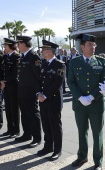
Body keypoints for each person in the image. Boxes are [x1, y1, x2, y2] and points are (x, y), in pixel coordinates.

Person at [68, 34, 105, 170]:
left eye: (94, 44)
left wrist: (91, 97)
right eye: (90, 44)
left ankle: (98, 161)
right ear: (82, 47)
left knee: (97, 133)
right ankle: (82, 156)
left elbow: (103, 82)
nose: (93, 47)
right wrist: (80, 97)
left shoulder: (102, 62)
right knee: (82, 131)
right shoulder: (74, 62)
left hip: (97, 104)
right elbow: (70, 82)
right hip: (80, 105)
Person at [37, 40, 65, 161]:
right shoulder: (43, 63)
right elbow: (38, 80)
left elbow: (57, 83)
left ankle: (57, 150)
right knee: (46, 124)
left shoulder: (60, 64)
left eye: (43, 50)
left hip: (53, 100)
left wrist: (45, 95)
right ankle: (48, 146)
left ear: (50, 51)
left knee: (55, 125)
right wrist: (38, 93)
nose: (42, 52)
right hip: (42, 99)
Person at [15, 35, 42, 148]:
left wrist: (37, 92)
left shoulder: (34, 57)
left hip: (30, 92)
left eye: (19, 44)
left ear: (24, 44)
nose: (17, 46)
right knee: (24, 114)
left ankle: (37, 138)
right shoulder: (23, 56)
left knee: (33, 115)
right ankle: (27, 134)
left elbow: (38, 77)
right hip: (22, 91)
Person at [1, 38, 20, 138]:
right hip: (5, 86)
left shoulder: (16, 57)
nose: (4, 47)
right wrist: (1, 81)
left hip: (13, 86)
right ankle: (10, 129)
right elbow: (2, 71)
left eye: (5, 45)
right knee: (8, 108)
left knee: (14, 109)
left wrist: (5, 81)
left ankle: (16, 130)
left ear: (10, 46)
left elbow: (15, 73)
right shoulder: (5, 57)